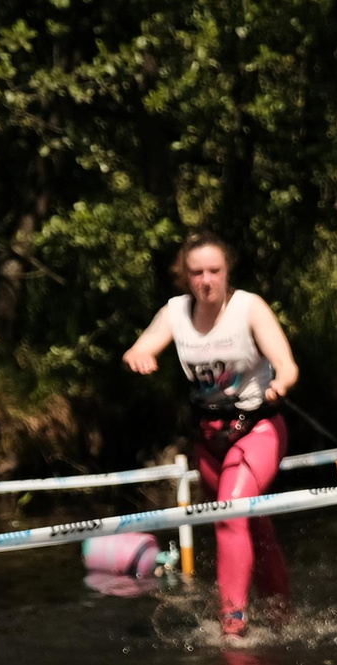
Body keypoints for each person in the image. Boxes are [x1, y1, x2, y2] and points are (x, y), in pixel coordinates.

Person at [122, 233, 297, 635]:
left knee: (229, 511)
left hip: (258, 428)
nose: (206, 281)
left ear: (227, 272)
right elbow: (139, 347)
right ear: (185, 277)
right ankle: (281, 618)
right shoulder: (176, 313)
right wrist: (141, 355)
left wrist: (281, 383)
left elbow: (287, 365)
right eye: (197, 273)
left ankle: (232, 624)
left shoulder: (249, 307)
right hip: (209, 440)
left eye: (214, 271)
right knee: (253, 523)